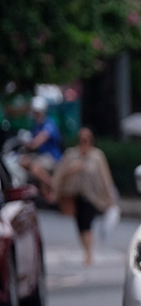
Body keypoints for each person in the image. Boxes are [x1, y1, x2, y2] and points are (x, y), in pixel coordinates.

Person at [52, 128, 118, 267]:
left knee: (87, 223)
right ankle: (86, 249)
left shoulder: (97, 156)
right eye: (82, 140)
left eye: (87, 140)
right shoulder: (71, 155)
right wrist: (72, 170)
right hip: (74, 194)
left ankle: (88, 252)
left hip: (92, 196)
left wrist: (109, 196)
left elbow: (105, 178)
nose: (84, 143)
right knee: (80, 224)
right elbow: (60, 174)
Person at [18, 97, 63, 204]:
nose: (35, 114)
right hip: (42, 156)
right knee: (23, 161)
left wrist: (27, 142)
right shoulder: (37, 126)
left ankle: (53, 185)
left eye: (36, 112)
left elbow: (37, 142)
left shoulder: (49, 124)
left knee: (35, 167)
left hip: (52, 157)